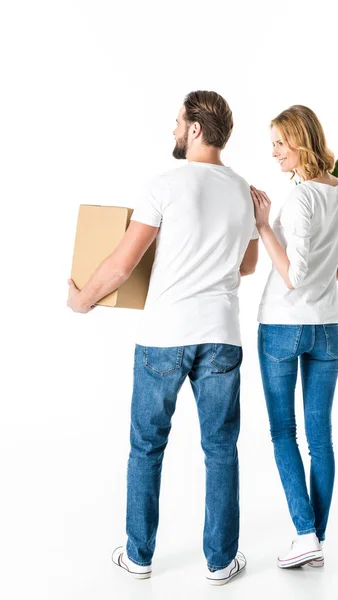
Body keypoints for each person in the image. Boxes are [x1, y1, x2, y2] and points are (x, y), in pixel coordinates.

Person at [67, 90, 258, 585]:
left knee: (147, 446)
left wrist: (82, 299)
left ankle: (139, 557)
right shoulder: (244, 191)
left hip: (163, 335)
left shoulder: (165, 185)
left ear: (196, 128)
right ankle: (220, 561)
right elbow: (249, 264)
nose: (173, 130)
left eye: (178, 122)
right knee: (220, 448)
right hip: (221, 335)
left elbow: (122, 263)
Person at [250, 105, 338, 569]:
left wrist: (263, 225)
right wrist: (322, 272)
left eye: (280, 143)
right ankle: (314, 540)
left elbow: (294, 276)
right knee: (321, 439)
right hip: (327, 329)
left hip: (282, 324)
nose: (274, 153)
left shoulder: (299, 199)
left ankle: (304, 534)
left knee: (284, 432)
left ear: (300, 142)